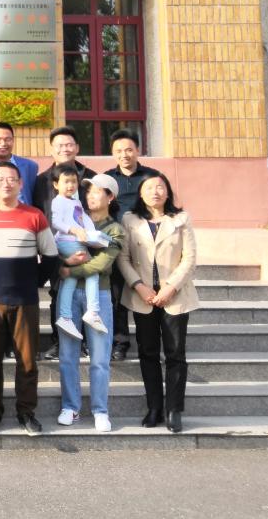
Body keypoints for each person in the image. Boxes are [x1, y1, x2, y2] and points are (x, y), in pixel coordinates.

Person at [0, 162, 66, 436]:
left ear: (20, 184)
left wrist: (34, 281)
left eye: (12, 179)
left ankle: (26, 413)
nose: (6, 183)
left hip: (25, 300)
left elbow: (50, 255)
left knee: (27, 360)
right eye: (0, 179)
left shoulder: (34, 216)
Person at [118, 172, 199, 434]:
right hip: (143, 296)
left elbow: (189, 258)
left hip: (175, 296)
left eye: (160, 187)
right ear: (140, 194)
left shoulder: (181, 219)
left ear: (168, 192)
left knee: (175, 354)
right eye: (149, 187)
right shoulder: (130, 220)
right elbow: (123, 258)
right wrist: (138, 286)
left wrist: (170, 287)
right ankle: (154, 407)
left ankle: (174, 409)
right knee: (148, 353)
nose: (155, 191)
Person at [56, 174, 125, 433]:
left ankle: (100, 410)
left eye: (97, 191)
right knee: (67, 354)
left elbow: (102, 264)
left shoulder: (115, 229)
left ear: (110, 197)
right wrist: (62, 263)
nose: (90, 196)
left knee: (99, 357)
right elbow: (55, 249)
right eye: (88, 191)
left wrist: (68, 270)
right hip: (69, 295)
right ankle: (70, 407)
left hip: (100, 296)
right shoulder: (72, 218)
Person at [32, 126, 97, 360]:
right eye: (59, 145)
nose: (65, 149)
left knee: (86, 293)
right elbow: (39, 214)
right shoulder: (41, 181)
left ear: (77, 148)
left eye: (69, 144)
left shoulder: (91, 178)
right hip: (56, 247)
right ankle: (59, 342)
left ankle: (88, 342)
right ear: (51, 149)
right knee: (59, 293)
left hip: (87, 246)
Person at [104, 128, 158, 361]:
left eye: (128, 150)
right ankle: (120, 342)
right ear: (113, 153)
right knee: (116, 294)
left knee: (147, 289)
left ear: (138, 150)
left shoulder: (151, 177)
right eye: (119, 151)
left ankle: (151, 341)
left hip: (146, 243)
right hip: (117, 244)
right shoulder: (108, 179)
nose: (124, 155)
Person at [50, 165, 110, 341]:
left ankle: (65, 317)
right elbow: (56, 222)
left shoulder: (75, 202)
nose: (70, 185)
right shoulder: (58, 201)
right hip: (68, 241)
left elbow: (85, 221)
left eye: (74, 182)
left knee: (71, 279)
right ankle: (92, 311)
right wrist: (75, 230)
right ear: (56, 184)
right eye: (66, 182)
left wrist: (95, 236)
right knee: (91, 273)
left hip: (76, 241)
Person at [0, 121, 38, 206]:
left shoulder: (30, 166)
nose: (3, 144)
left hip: (22, 212)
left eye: (7, 139)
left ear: (13, 140)